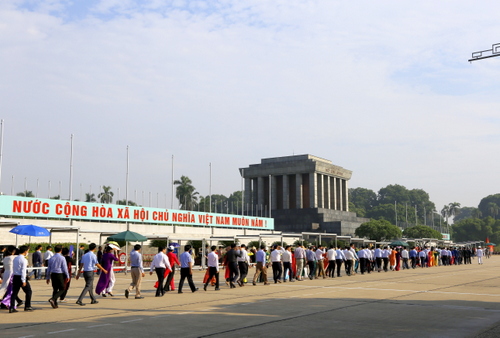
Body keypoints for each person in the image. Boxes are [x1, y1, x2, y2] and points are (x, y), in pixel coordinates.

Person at [9, 245, 33, 313]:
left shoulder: (15, 258)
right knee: (28, 291)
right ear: (25, 251)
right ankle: (27, 306)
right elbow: (23, 271)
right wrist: (23, 280)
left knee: (14, 293)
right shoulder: (23, 260)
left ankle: (11, 307)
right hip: (21, 277)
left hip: (15, 276)